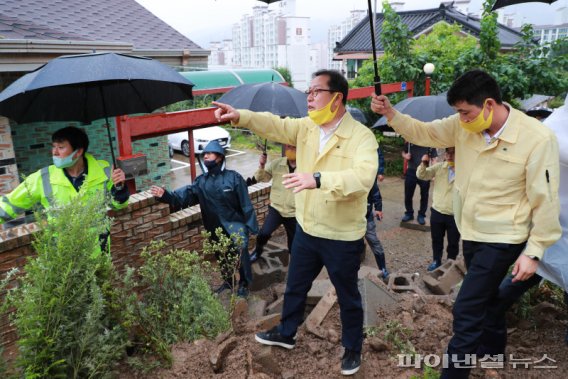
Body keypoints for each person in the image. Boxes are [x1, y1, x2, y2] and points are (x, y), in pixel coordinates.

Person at [371, 69, 561, 379]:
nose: (460, 119)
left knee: (466, 309)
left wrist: (535, 250)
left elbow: (545, 197)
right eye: (457, 112)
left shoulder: (536, 138)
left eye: (464, 112)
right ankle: (492, 354)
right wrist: (391, 113)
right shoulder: (464, 126)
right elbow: (424, 132)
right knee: (486, 299)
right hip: (471, 230)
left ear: (488, 104)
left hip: (505, 236)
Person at [213, 69, 378, 376]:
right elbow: (275, 124)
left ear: (337, 98)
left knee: (347, 296)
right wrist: (241, 116)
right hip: (308, 228)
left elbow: (363, 178)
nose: (310, 98)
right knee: (295, 287)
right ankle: (287, 333)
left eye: (316, 92)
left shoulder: (361, 137)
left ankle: (353, 348)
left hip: (342, 236)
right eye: (308, 92)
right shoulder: (306, 128)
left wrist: (317, 178)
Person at [150, 140, 258, 298]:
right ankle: (228, 282)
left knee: (241, 256)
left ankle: (244, 284)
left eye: (209, 153)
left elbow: (246, 204)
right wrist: (166, 195)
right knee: (222, 256)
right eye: (204, 154)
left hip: (236, 227)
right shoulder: (201, 182)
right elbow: (184, 196)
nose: (206, 155)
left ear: (220, 157)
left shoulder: (234, 178)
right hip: (214, 228)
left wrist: (249, 227)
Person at [0, 126, 129, 254]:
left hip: (98, 250)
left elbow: (118, 204)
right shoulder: (43, 177)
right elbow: (9, 205)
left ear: (78, 152)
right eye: (54, 147)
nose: (54, 152)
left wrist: (120, 187)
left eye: (61, 147)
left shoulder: (105, 170)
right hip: (62, 256)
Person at [250, 144, 297, 263]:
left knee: (294, 241)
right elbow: (262, 178)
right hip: (276, 208)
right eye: (288, 147)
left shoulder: (306, 167)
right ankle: (257, 252)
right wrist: (262, 165)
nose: (290, 150)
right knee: (263, 234)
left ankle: (294, 263)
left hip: (295, 212)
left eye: (293, 148)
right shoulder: (277, 163)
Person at [416, 147, 460, 271]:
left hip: (454, 213)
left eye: (453, 152)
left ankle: (450, 263)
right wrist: (424, 162)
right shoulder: (440, 167)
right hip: (437, 211)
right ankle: (436, 260)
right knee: (436, 239)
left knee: (453, 242)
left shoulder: (464, 170)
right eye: (447, 152)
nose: (449, 155)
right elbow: (422, 175)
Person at [401, 142, 437, 225]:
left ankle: (421, 215)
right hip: (411, 170)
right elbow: (403, 152)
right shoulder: (410, 141)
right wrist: (405, 156)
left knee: (424, 195)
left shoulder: (429, 143)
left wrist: (434, 173)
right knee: (408, 194)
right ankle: (409, 213)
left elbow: (434, 158)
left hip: (424, 172)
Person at [365, 180, 389, 279]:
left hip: (367, 217)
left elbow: (376, 193)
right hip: (350, 219)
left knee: (375, 242)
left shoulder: (369, 177)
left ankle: (382, 268)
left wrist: (378, 208)